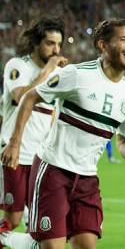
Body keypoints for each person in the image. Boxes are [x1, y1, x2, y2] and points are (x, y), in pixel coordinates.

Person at [0, 18, 125, 249]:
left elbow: (124, 143)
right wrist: (14, 143)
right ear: (103, 45)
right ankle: (5, 236)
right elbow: (29, 97)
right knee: (51, 246)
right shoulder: (77, 75)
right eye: (123, 39)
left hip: (87, 179)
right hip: (53, 170)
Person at [0, 16, 67, 239]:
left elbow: (52, 114)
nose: (55, 49)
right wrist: (47, 71)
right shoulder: (17, 66)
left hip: (41, 158)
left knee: (39, 221)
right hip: (15, 153)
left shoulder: (58, 75)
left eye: (59, 44)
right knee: (13, 219)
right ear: (37, 43)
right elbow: (21, 98)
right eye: (50, 43)